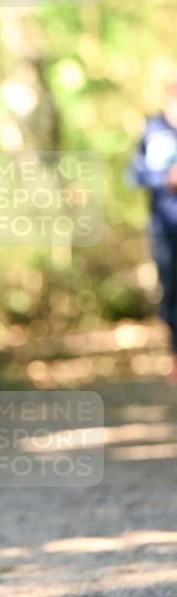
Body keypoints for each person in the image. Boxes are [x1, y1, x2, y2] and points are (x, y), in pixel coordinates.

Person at [130, 79, 177, 384]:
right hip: (164, 228)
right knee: (172, 290)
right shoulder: (153, 130)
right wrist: (165, 178)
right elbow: (136, 174)